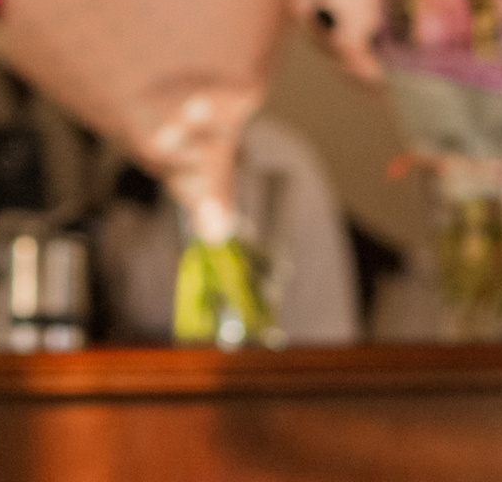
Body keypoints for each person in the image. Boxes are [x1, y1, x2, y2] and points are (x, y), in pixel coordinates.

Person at [93, 115, 360, 343]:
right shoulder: (130, 168)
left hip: (286, 373)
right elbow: (137, 314)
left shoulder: (279, 164)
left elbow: (327, 325)